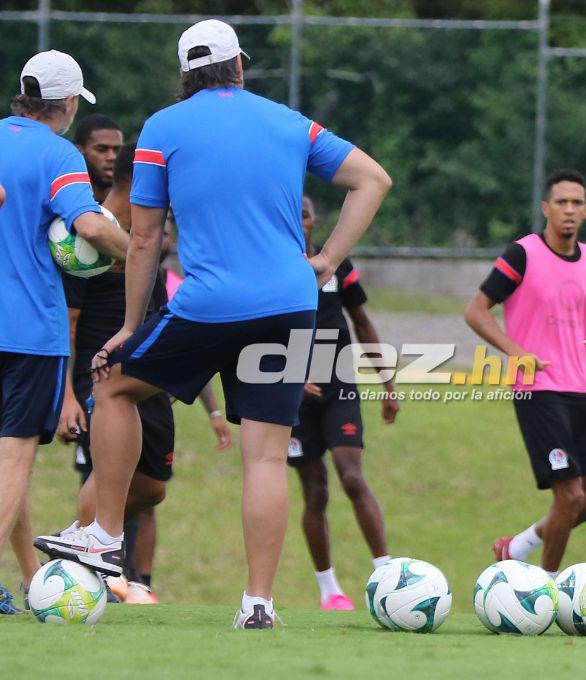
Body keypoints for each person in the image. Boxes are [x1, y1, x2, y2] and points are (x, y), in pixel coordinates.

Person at [34, 19, 391, 630]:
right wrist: (326, 260)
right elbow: (373, 179)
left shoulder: (163, 128)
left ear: (184, 74)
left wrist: (126, 326)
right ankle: (258, 604)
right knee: (265, 457)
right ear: (240, 67)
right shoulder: (288, 121)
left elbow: (143, 240)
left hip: (209, 305)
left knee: (114, 384)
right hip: (289, 304)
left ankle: (103, 534)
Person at [0, 50, 127, 606]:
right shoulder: (58, 154)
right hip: (28, 331)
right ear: (70, 103)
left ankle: (31, 578)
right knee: (14, 457)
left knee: (6, 460)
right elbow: (89, 224)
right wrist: (137, 251)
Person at [465, 169, 586, 587]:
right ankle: (543, 588)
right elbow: (476, 312)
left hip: (581, 390)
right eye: (561, 202)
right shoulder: (522, 254)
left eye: (576, 203)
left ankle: (518, 547)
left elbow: (580, 317)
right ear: (546, 209)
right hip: (538, 390)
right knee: (569, 496)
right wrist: (517, 353)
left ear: (585, 211)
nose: (569, 210)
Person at [53, 143, 175, 605]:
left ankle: (79, 550)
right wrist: (66, 396)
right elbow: (68, 323)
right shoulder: (86, 238)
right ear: (140, 181)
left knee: (152, 488)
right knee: (106, 478)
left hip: (150, 379)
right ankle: (71, 575)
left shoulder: (144, 232)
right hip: (102, 377)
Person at [288, 194, 400, 610]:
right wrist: (292, 377)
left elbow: (363, 323)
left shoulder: (337, 267)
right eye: (293, 212)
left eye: (306, 213)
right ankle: (329, 590)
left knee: (352, 476)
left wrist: (387, 385)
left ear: (315, 222)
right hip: (290, 398)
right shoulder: (271, 268)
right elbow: (256, 333)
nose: (300, 220)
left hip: (340, 388)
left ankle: (387, 572)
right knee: (315, 493)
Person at [73, 114, 122, 202]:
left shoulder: (133, 204)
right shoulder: (65, 203)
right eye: (101, 149)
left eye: (117, 150)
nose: (112, 157)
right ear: (79, 151)